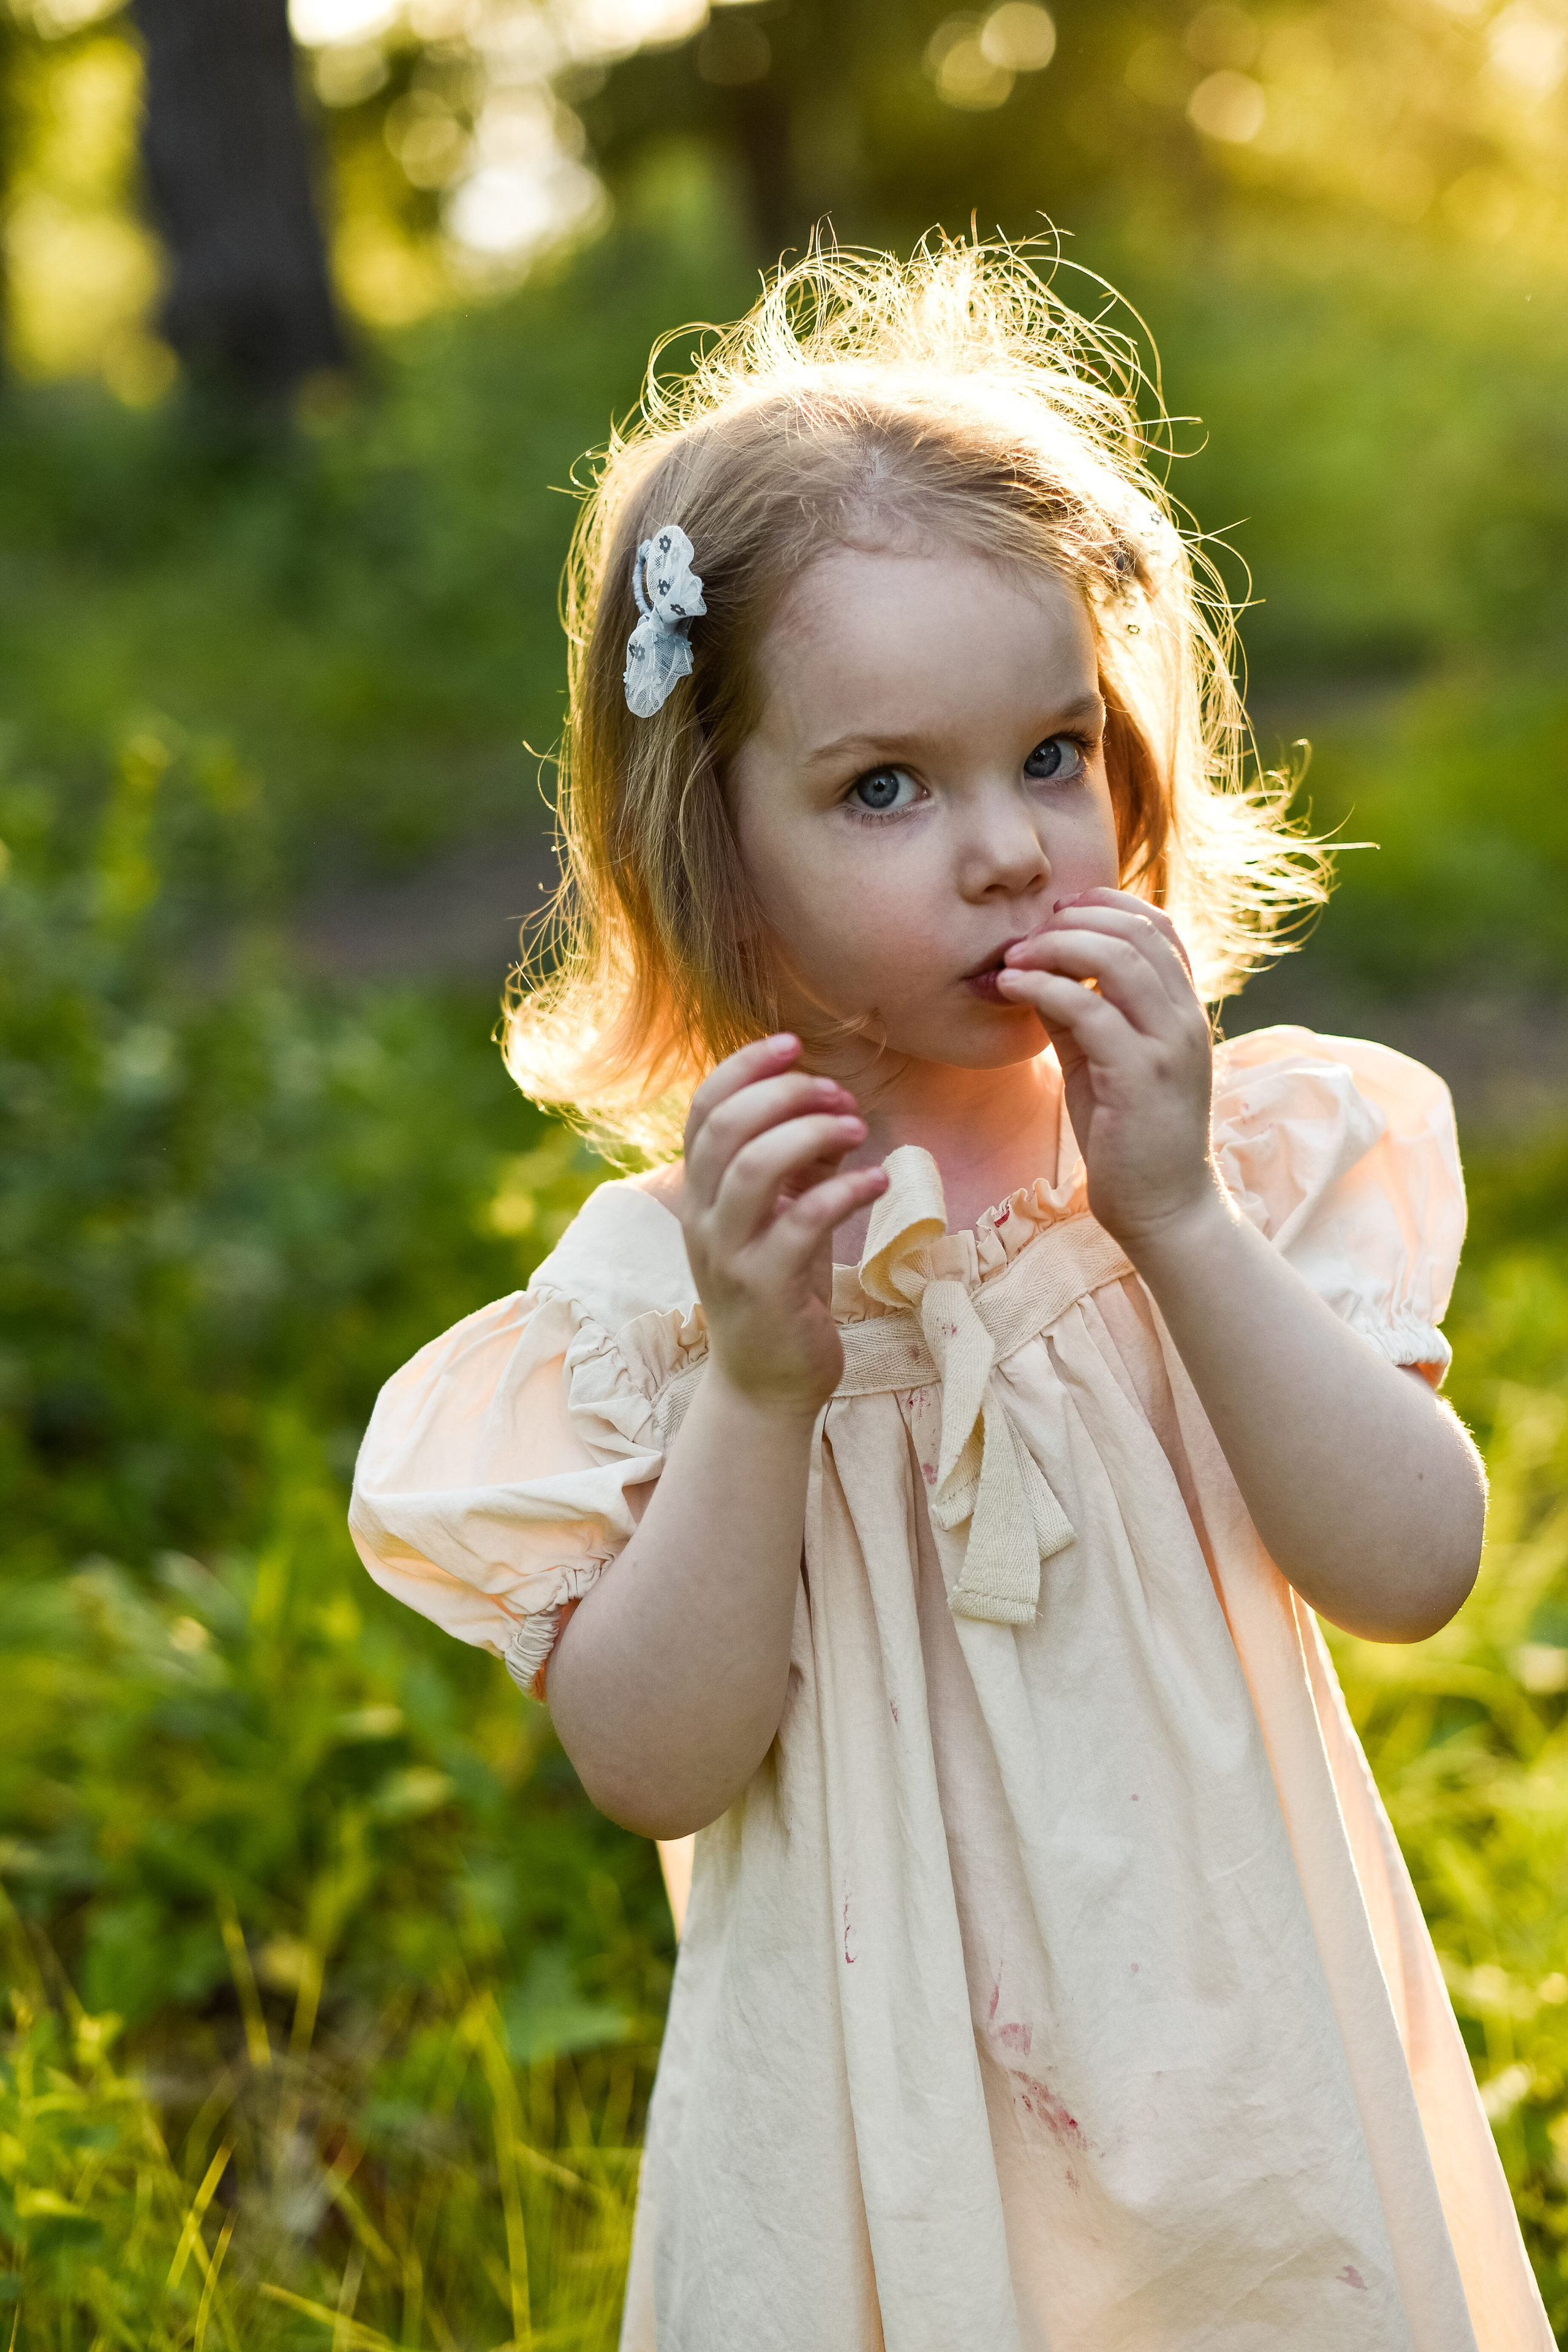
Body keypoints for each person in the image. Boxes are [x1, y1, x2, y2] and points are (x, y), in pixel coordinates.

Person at [349, 241, 1551, 2350]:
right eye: (885, 787)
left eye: (1053, 756)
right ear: (710, 849)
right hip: (878, 2076)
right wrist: (754, 1386)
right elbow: (649, 1761)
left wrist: (1173, 1220)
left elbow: (1415, 1563)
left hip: (1238, 2029)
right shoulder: (686, 1274)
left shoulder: (1231, 1158)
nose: (1006, 848)